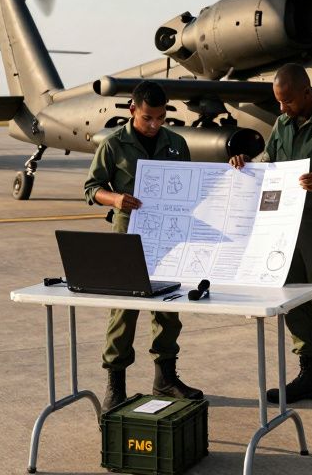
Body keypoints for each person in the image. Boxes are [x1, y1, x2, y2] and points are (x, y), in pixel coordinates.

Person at [229, 63, 312, 417]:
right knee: (293, 299)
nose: (282, 108)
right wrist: (247, 163)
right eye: (278, 102)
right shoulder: (283, 124)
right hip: (284, 227)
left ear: (307, 92)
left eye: (287, 101)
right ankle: (309, 375)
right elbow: (270, 161)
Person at [83, 80, 203, 409]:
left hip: (168, 236)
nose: (154, 125)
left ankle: (165, 378)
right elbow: (91, 188)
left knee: (168, 310)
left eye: (161, 118)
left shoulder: (177, 143)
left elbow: (188, 188)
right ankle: (115, 384)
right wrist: (116, 198)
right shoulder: (113, 145)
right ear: (133, 110)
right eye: (148, 117)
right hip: (128, 236)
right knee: (124, 312)